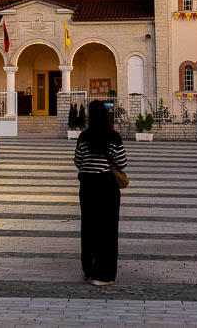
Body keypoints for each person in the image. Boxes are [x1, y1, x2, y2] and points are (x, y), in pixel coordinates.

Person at [74, 99, 127, 286]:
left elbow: (78, 162)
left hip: (87, 187)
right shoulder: (113, 137)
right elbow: (122, 163)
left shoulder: (83, 137)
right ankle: (103, 274)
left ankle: (88, 269)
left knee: (89, 227)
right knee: (108, 229)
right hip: (107, 187)